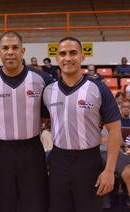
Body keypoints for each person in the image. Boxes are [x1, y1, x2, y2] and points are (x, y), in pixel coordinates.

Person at [43, 37, 122, 212]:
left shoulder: (98, 88)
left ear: (82, 56)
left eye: (73, 53)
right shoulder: (48, 91)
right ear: (57, 58)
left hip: (89, 161)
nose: (68, 58)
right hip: (58, 161)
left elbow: (115, 130)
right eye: (62, 54)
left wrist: (109, 170)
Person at [0, 31, 52, 212]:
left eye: (15, 48)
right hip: (0, 150)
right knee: (3, 203)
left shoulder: (42, 79)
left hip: (32, 150)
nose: (10, 52)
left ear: (23, 50)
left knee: (35, 203)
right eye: (5, 48)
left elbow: (47, 115)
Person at [100, 128, 130, 211]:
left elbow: (121, 142)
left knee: (127, 166)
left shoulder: (113, 125)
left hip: (115, 151)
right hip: (97, 152)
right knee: (96, 163)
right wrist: (108, 139)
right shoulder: (91, 123)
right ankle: (103, 196)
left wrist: (114, 139)